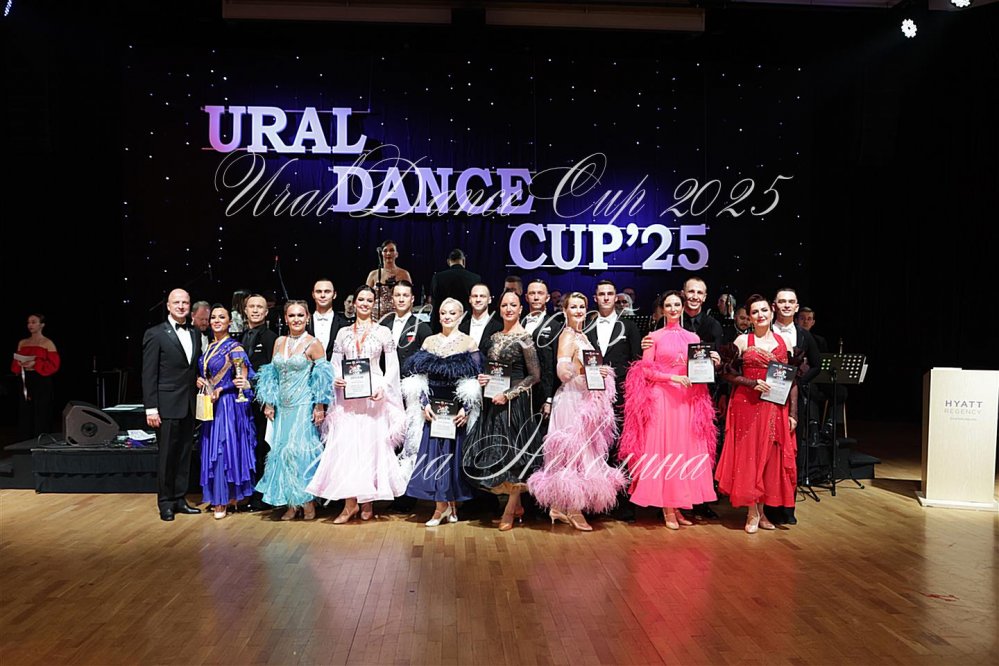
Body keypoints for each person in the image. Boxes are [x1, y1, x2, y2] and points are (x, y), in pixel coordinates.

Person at [306, 286, 407, 522]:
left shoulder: (383, 332)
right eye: (361, 299)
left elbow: (393, 365)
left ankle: (367, 502)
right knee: (348, 447)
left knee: (370, 447)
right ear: (354, 302)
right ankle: (349, 503)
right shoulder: (343, 332)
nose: (364, 303)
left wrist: (383, 387)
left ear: (374, 304)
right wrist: (336, 378)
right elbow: (334, 363)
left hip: (373, 396)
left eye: (369, 300)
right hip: (348, 396)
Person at [527, 293, 627, 531]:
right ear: (565, 311)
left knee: (581, 454)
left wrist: (601, 372)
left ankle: (559, 507)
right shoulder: (568, 335)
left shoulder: (583, 335)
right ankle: (574, 508)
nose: (579, 310)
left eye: (582, 306)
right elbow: (562, 370)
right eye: (574, 307)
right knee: (573, 454)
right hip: (571, 399)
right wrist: (579, 370)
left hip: (584, 399)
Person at [620, 291, 718, 529]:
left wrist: (712, 361)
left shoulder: (693, 336)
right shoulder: (653, 337)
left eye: (676, 304)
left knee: (684, 451)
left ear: (682, 307)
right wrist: (672, 378)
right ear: (662, 309)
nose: (673, 309)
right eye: (668, 305)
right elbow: (646, 371)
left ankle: (678, 505)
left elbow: (698, 368)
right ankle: (667, 508)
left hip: (687, 399)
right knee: (665, 450)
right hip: (662, 399)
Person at [714, 294, 798, 534]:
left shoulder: (784, 341)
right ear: (749, 317)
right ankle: (752, 511)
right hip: (747, 405)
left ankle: (762, 511)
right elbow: (726, 374)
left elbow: (793, 381)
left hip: (775, 407)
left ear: (771, 312)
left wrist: (793, 413)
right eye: (754, 312)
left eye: (763, 310)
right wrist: (752, 383)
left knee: (769, 458)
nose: (760, 315)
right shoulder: (742, 340)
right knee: (750, 457)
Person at [463, 290, 542, 531]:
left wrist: (508, 394)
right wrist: (484, 379)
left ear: (520, 309)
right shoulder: (494, 337)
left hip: (514, 404)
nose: (508, 309)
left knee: (514, 455)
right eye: (505, 305)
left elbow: (534, 376)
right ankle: (515, 506)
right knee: (498, 452)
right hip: (493, 403)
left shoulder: (525, 338)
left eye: (513, 305)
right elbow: (491, 368)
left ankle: (511, 508)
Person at [399, 297, 482, 526]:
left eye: (452, 313)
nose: (447, 317)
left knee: (452, 458)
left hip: (456, 411)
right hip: (434, 411)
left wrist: (466, 408)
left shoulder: (469, 342)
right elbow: (418, 376)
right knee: (435, 457)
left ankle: (450, 505)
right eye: (443, 313)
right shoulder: (429, 341)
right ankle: (440, 508)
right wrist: (424, 404)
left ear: (461, 316)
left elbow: (475, 380)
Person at [254, 301, 333, 521]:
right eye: (292, 315)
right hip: (282, 407)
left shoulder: (314, 343)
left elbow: (322, 377)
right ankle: (291, 503)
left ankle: (307, 503)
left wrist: (319, 405)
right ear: (285, 319)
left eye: (300, 315)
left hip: (303, 406)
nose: (296, 319)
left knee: (299, 453)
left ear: (307, 317)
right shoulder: (279, 341)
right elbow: (271, 374)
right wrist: (269, 402)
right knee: (282, 454)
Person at [142, 288, 202, 522]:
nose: (181, 306)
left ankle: (179, 498)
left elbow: (191, 368)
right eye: (176, 302)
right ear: (168, 306)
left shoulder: (195, 332)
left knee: (184, 454)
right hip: (166, 405)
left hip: (188, 404)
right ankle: (165, 502)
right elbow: (149, 374)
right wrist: (151, 408)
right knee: (167, 456)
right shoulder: (155, 333)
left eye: (185, 302)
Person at [196, 305, 258, 519]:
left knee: (222, 448)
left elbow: (243, 380)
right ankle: (219, 496)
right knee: (212, 447)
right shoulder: (210, 346)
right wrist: (201, 381)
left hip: (228, 404)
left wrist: (223, 388)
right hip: (211, 404)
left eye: (221, 317)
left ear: (229, 322)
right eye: (213, 317)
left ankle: (223, 499)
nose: (216, 320)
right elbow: (207, 374)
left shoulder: (235, 347)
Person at [241, 294, 279, 511]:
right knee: (249, 447)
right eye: (252, 306)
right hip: (243, 403)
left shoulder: (272, 337)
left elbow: (273, 372)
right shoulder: (241, 336)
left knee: (263, 447)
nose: (255, 310)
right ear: (245, 310)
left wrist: (267, 400)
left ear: (266, 312)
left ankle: (262, 497)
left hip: (264, 403)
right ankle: (249, 492)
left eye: (259, 307)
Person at [11, 313, 61, 440]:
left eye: (33, 322)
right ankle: (25, 439)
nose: (30, 325)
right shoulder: (23, 342)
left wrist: (36, 363)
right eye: (28, 322)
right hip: (26, 378)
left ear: (42, 325)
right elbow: (16, 362)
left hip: (41, 379)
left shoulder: (47, 343)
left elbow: (54, 365)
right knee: (25, 409)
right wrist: (20, 363)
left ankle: (41, 439)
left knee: (42, 409)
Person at [429, 248, 481, 333]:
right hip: (467, 324)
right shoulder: (475, 278)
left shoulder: (438, 278)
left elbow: (434, 303)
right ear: (463, 261)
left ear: (448, 261)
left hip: (443, 325)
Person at [367, 239, 414, 321]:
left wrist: (407, 319)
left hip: (396, 319)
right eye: (385, 251)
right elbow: (366, 297)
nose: (388, 253)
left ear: (396, 254)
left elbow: (409, 299)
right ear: (381, 254)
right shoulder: (373, 274)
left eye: (391, 250)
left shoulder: (404, 274)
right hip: (375, 319)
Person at [307, 279, 350, 362]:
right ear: (313, 295)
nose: (322, 295)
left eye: (327, 292)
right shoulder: (304, 324)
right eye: (319, 292)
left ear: (334, 295)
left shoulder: (345, 325)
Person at [458, 283, 503, 351]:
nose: (478, 299)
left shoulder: (499, 328)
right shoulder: (461, 328)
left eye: (482, 296)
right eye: (475, 296)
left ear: (489, 300)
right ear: (470, 299)